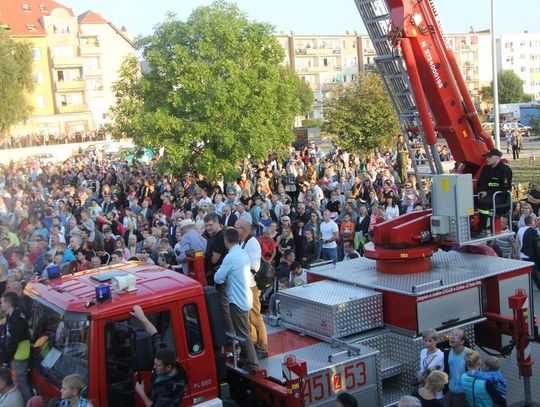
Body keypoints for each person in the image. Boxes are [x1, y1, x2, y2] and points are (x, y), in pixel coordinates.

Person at [213, 228, 258, 367]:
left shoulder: (230, 257)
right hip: (246, 296)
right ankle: (245, 358)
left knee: (243, 334)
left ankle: (254, 364)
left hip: (237, 300)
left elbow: (217, 278)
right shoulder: (243, 253)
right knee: (243, 330)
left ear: (226, 240)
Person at [130, 306, 187, 407]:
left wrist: (141, 392)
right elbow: (154, 334)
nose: (154, 367)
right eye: (155, 363)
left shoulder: (173, 388)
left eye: (158, 365)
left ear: (168, 367)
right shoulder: (162, 357)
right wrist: (141, 316)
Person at [235, 219, 268, 360]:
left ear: (243, 229)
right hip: (245, 285)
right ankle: (254, 343)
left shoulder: (252, 243)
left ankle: (263, 347)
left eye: (236, 228)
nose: (234, 230)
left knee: (255, 316)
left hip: (251, 285)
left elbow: (255, 266)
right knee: (249, 317)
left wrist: (237, 266)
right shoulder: (243, 242)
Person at [0, 292, 31, 403]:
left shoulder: (18, 319)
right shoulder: (10, 315)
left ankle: (29, 402)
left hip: (20, 352)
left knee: (21, 379)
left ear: (8, 304)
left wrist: (6, 359)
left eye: (2, 302)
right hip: (15, 352)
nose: (1, 305)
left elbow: (14, 341)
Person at [475, 148, 512, 238]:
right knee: (472, 200)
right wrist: (481, 191)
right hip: (488, 195)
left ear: (497, 158)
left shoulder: (505, 169)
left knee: (482, 202)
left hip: (500, 196)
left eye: (489, 157)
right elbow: (481, 182)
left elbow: (505, 187)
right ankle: (474, 225)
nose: (487, 159)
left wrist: (487, 192)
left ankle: (482, 229)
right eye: (487, 157)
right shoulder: (486, 168)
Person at [443, 328, 470, 407]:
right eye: (451, 334)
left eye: (456, 336)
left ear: (462, 341)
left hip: (464, 395)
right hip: (450, 392)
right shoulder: (447, 353)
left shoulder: (469, 354)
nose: (452, 337)